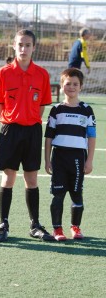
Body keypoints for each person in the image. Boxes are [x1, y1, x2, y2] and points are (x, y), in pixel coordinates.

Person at [0, 29, 54, 242]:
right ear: (14, 45)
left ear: (34, 47)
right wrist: (8, 121)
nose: (24, 48)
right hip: (11, 130)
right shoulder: (4, 73)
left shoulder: (42, 74)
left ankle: (34, 224)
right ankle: (3, 223)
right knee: (8, 177)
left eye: (28, 45)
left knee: (31, 178)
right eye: (20, 44)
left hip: (32, 131)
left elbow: (43, 105)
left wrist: (30, 119)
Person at [44, 68, 96, 241]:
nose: (71, 87)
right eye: (68, 84)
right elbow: (49, 137)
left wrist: (89, 160)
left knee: (76, 193)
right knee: (57, 195)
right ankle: (57, 229)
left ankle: (75, 227)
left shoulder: (87, 110)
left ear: (80, 87)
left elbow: (92, 136)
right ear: (61, 86)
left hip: (77, 158)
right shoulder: (56, 110)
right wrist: (47, 160)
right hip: (59, 157)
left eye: (75, 84)